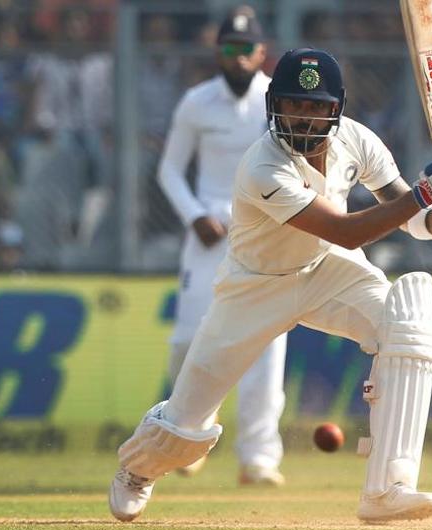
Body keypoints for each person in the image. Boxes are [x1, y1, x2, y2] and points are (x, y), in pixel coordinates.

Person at [108, 48, 432, 522]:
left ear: (335, 108)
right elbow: (348, 230)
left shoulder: (358, 140)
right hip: (255, 286)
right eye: (294, 104)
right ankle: (139, 469)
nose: (304, 117)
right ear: (275, 105)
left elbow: (406, 217)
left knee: (408, 320)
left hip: (328, 270)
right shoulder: (262, 166)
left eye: (315, 106)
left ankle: (388, 488)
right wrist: (429, 193)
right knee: (186, 424)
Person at [156, 7, 288, 486]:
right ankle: (187, 437)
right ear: (218, 52)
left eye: (246, 49)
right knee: (188, 339)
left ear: (261, 53)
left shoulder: (277, 99)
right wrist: (195, 216)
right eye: (229, 49)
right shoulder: (196, 102)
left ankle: (258, 458)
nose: (237, 58)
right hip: (208, 231)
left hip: (265, 234)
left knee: (267, 346)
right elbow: (169, 170)